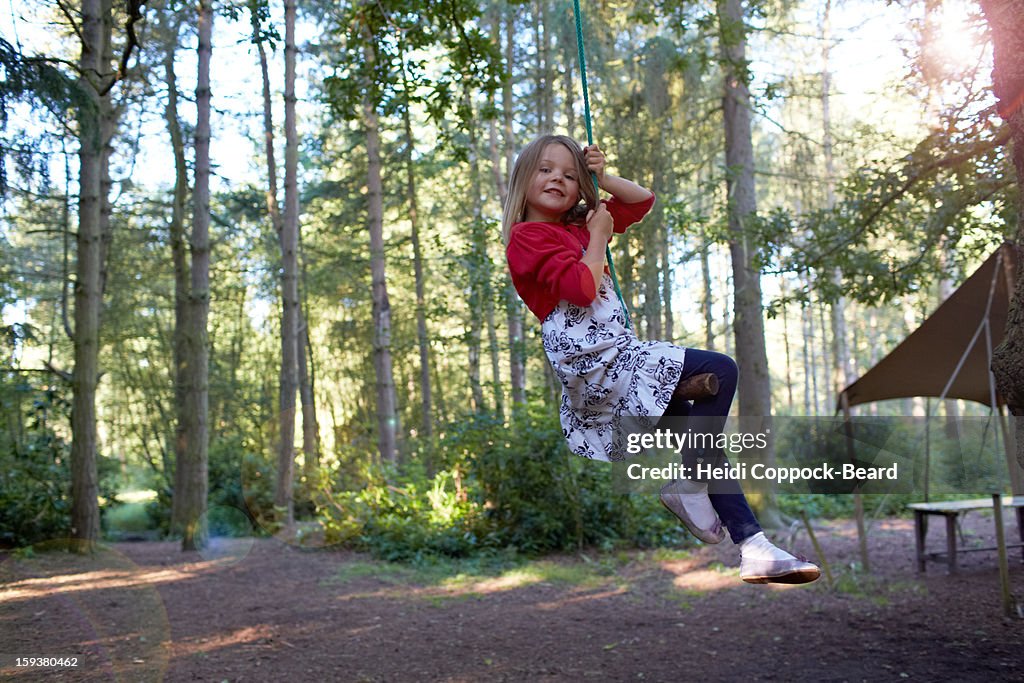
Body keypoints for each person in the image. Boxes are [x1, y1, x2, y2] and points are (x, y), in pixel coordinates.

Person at [503, 134, 819, 584]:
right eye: (547, 169)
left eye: (571, 175)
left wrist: (602, 175)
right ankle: (690, 487)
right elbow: (580, 288)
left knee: (702, 440)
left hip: (612, 359)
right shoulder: (528, 237)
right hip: (598, 362)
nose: (559, 178)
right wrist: (596, 237)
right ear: (523, 177)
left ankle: (753, 546)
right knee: (720, 368)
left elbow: (642, 200)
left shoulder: (578, 225)